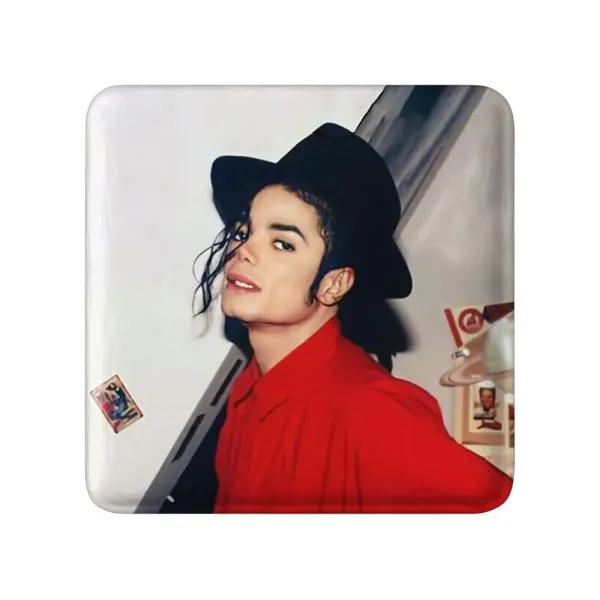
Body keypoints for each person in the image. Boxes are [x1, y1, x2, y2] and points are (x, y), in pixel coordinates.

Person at [193, 123, 513, 513]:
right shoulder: (249, 389)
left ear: (334, 284)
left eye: (282, 243)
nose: (243, 251)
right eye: (244, 232)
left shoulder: (372, 411)